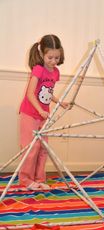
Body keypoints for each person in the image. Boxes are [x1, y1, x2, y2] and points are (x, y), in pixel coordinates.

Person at [19, 34, 69, 190]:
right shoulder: (38, 69)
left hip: (43, 115)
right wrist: (40, 110)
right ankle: (26, 180)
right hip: (30, 114)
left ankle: (39, 179)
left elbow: (47, 92)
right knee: (31, 148)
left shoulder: (55, 72)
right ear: (41, 54)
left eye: (56, 57)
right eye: (50, 57)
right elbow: (30, 93)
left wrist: (59, 102)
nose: (53, 61)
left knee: (43, 148)